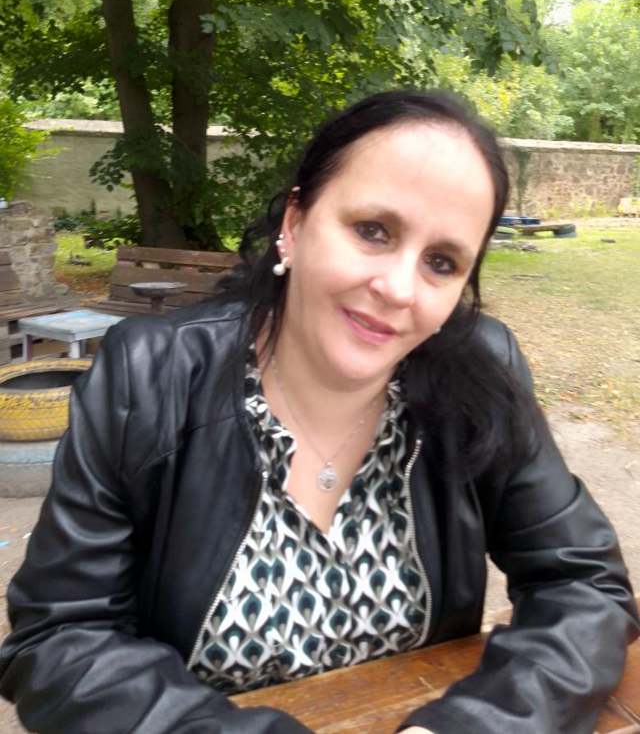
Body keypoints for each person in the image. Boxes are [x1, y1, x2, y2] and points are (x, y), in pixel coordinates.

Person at [0, 91, 638, 734]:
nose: (398, 288)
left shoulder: (482, 373)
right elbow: (59, 639)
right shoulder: (151, 375)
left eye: (441, 263)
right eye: (372, 230)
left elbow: (585, 587)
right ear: (295, 223)